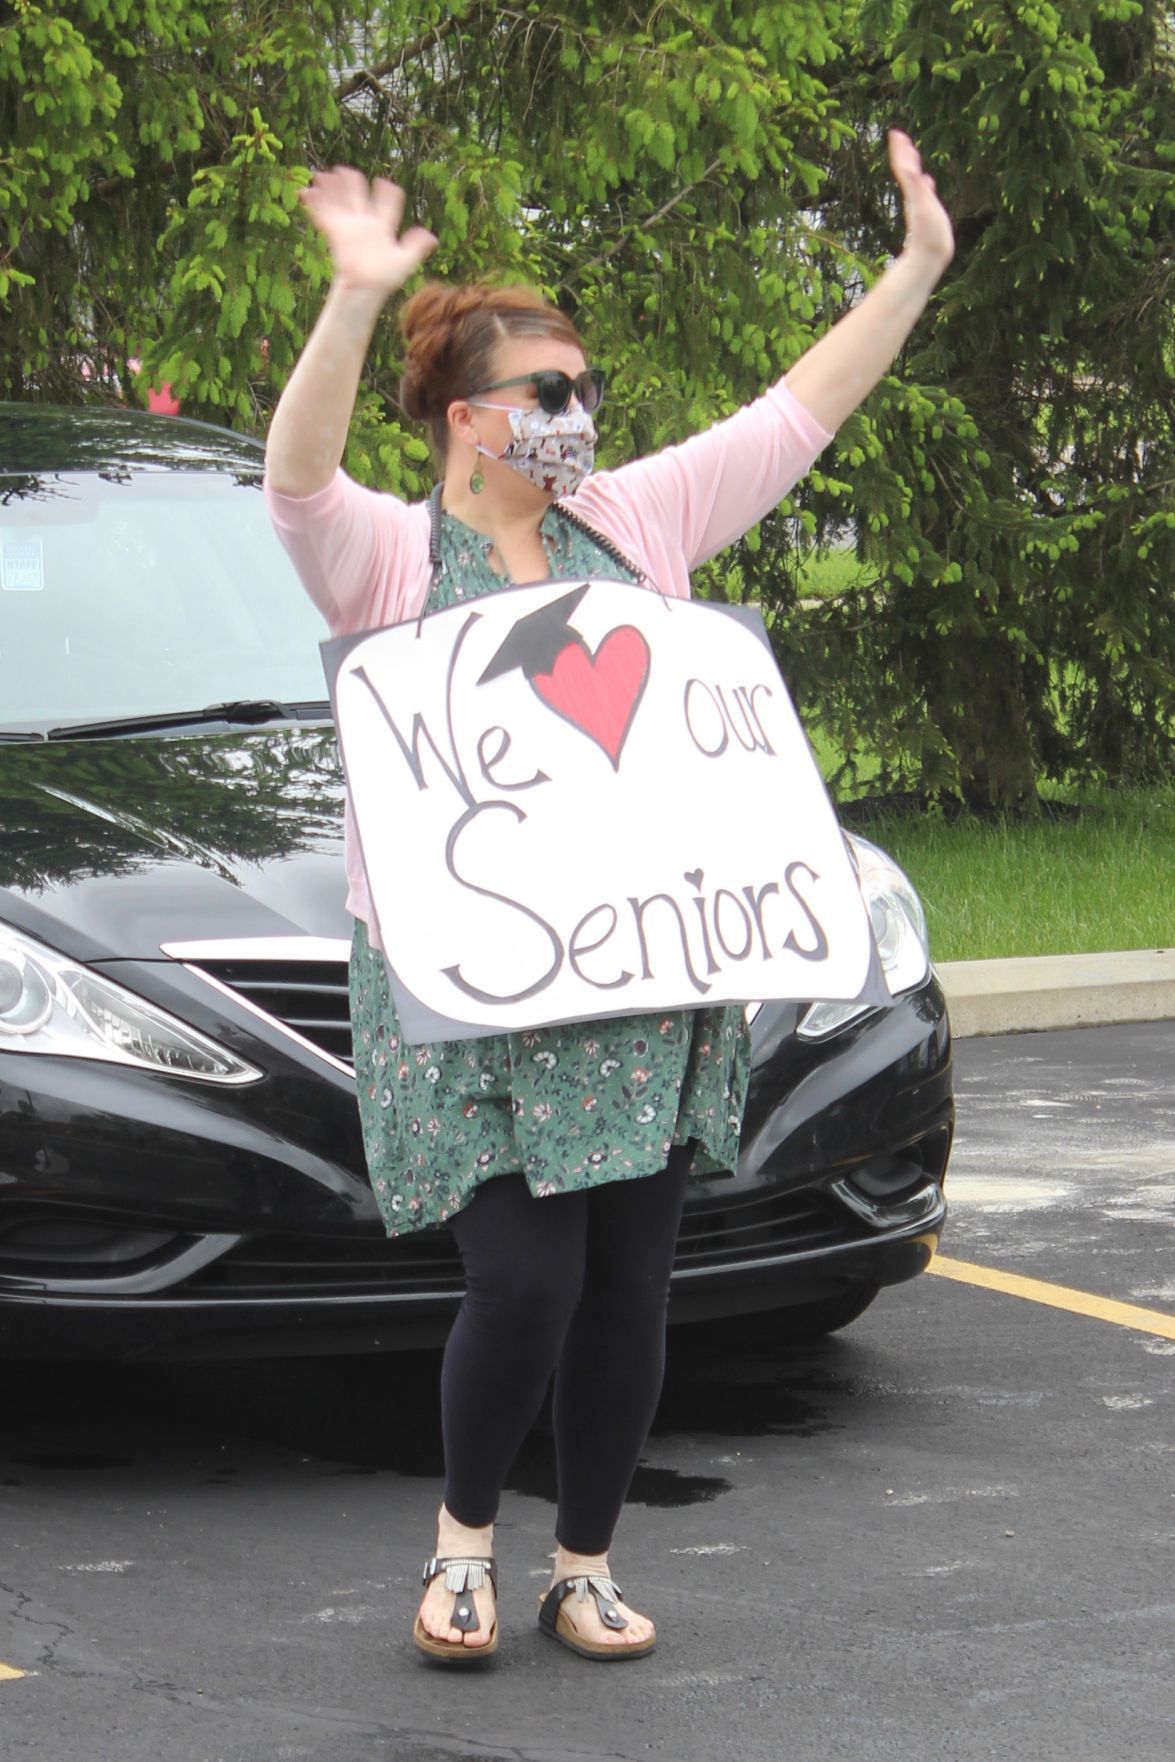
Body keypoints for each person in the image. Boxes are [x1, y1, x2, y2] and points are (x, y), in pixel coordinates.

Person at [264, 130, 953, 1664]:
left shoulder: (635, 525)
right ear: (470, 420)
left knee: (635, 1279)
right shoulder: (388, 558)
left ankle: (583, 1561)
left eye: (589, 392)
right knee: (524, 1278)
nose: (582, 417)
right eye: (551, 395)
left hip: (636, 972)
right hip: (465, 988)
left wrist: (912, 270)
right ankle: (461, 1550)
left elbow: (796, 412)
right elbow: (297, 475)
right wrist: (357, 299)